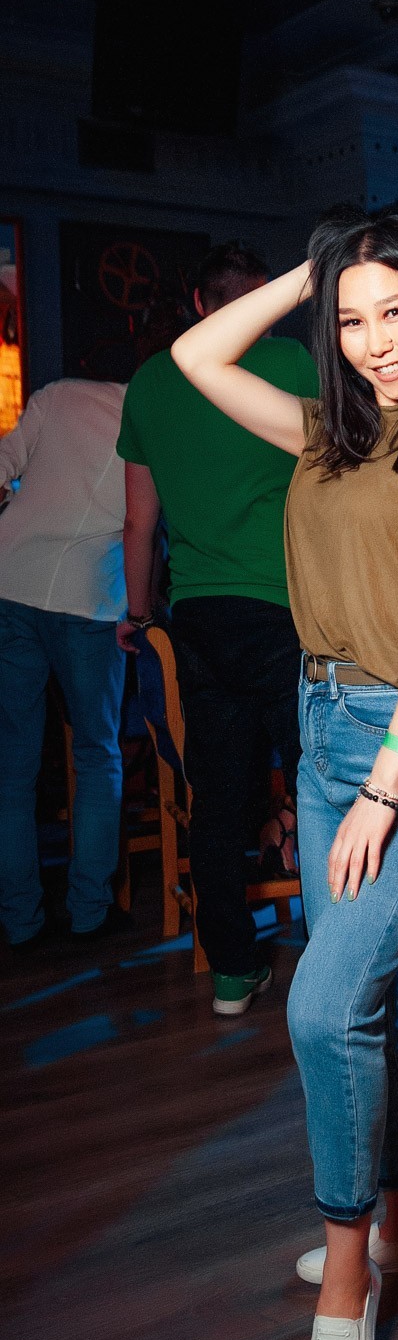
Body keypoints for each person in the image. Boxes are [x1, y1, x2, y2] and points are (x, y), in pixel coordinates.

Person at [171, 209, 398, 1340]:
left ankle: (350, 1274)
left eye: (395, 310)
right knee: (361, 1001)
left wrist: (384, 782)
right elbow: (195, 357)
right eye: (351, 320)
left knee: (320, 1004)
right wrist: (310, 273)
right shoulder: (322, 432)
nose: (375, 341)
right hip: (320, 737)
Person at [117, 242, 319, 1014]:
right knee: (319, 786)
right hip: (287, 610)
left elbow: (139, 525)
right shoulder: (291, 364)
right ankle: (342, 966)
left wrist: (138, 616)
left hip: (199, 616)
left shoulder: (151, 379)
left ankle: (232, 972)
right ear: (260, 301)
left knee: (217, 798)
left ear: (200, 304)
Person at [0, 377, 129, 947]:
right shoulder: (154, 414)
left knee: (13, 766)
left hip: (12, 581)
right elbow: (145, 523)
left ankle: (20, 920)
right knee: (97, 754)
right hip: (90, 596)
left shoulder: (58, 395)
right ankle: (89, 913)